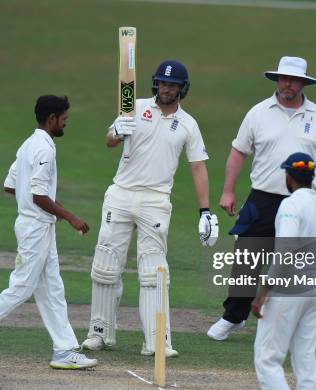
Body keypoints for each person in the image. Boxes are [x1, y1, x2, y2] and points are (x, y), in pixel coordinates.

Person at [81, 60, 219, 357]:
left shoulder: (188, 124)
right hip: (120, 193)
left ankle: (157, 341)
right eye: (162, 83)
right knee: (105, 267)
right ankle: (100, 333)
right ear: (155, 84)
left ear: (183, 88)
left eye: (173, 85)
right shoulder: (133, 105)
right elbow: (109, 142)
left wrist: (205, 211)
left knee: (153, 272)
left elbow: (198, 168)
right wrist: (117, 130)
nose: (166, 89)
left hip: (156, 200)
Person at [0, 95, 97, 370]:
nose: (66, 123)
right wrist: (71, 217)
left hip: (37, 226)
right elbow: (38, 195)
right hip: (36, 229)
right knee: (21, 287)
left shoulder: (28, 145)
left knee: (52, 290)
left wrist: (40, 207)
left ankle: (65, 349)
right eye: (64, 119)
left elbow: (11, 186)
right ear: (52, 119)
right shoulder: (44, 149)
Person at [207, 56, 316, 341]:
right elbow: (238, 152)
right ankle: (234, 316)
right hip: (263, 198)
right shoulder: (258, 112)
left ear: (303, 83)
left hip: (306, 199)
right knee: (246, 258)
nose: (288, 84)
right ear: (277, 80)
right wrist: (228, 190)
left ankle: (290, 323)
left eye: (293, 80)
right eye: (283, 79)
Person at [251, 152, 316, 390]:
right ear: (312, 177)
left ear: (289, 177)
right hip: (315, 290)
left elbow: (285, 250)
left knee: (267, 359)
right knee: (305, 360)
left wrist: (263, 292)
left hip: (289, 289)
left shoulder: (290, 205)